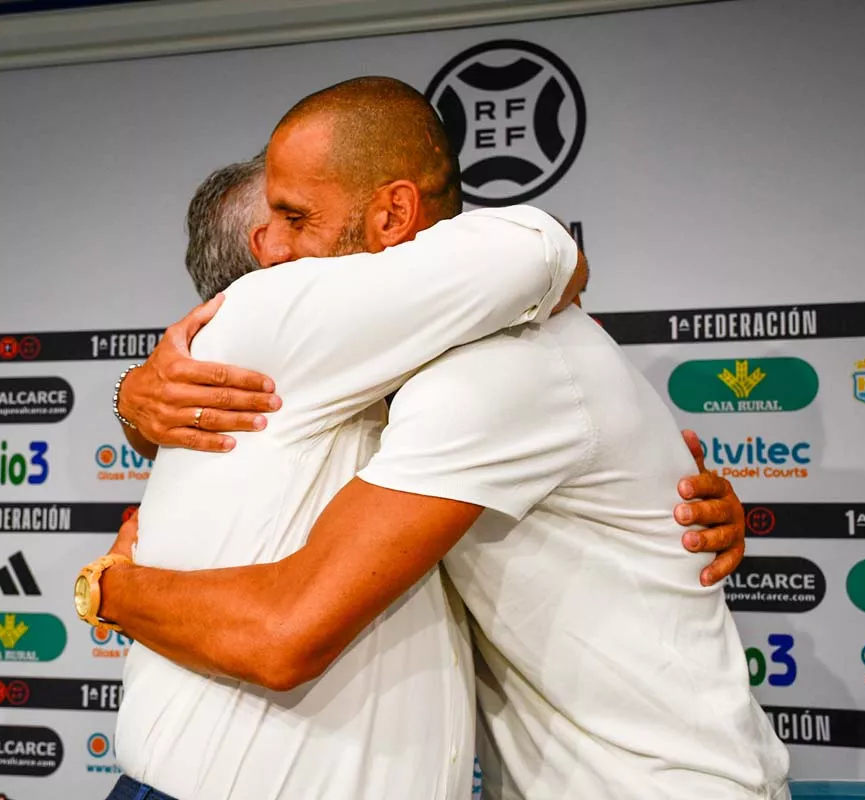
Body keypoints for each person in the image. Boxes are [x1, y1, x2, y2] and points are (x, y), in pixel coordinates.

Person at [87, 78, 774, 800]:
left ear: (392, 213)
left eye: (295, 217)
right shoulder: (395, 362)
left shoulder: (496, 367)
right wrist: (133, 404)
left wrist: (109, 588)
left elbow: (285, 630)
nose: (275, 252)